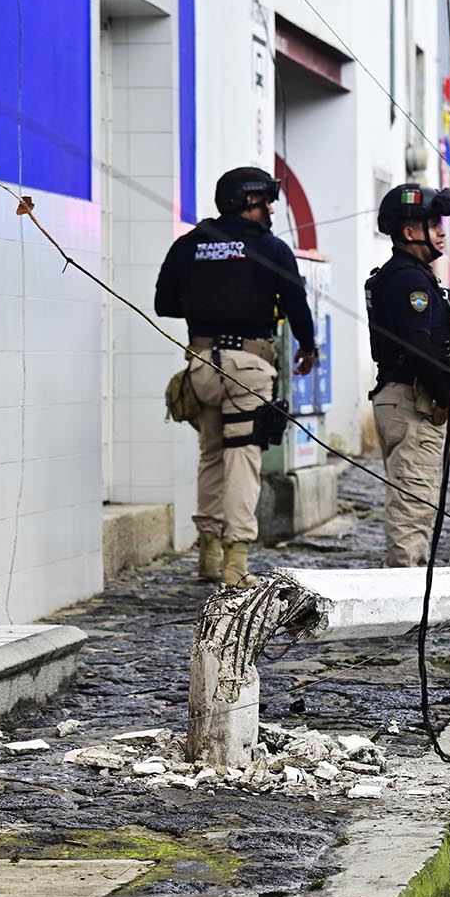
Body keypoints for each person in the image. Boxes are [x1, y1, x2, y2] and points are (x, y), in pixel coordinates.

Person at [154, 166, 318, 588]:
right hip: (250, 366)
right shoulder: (271, 248)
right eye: (267, 202)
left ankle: (207, 551)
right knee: (242, 456)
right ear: (249, 202)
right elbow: (297, 306)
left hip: (202, 365)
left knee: (211, 452)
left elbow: (163, 303)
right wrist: (307, 346)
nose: (271, 211)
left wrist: (206, 305)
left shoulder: (190, 244)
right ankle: (236, 559)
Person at [365, 183, 450, 567]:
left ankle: (408, 583)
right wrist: (443, 396)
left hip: (402, 396)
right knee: (413, 500)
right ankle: (402, 592)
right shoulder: (409, 281)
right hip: (413, 400)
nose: (441, 231)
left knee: (416, 497)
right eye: (433, 223)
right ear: (409, 232)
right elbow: (419, 345)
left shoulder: (414, 276)